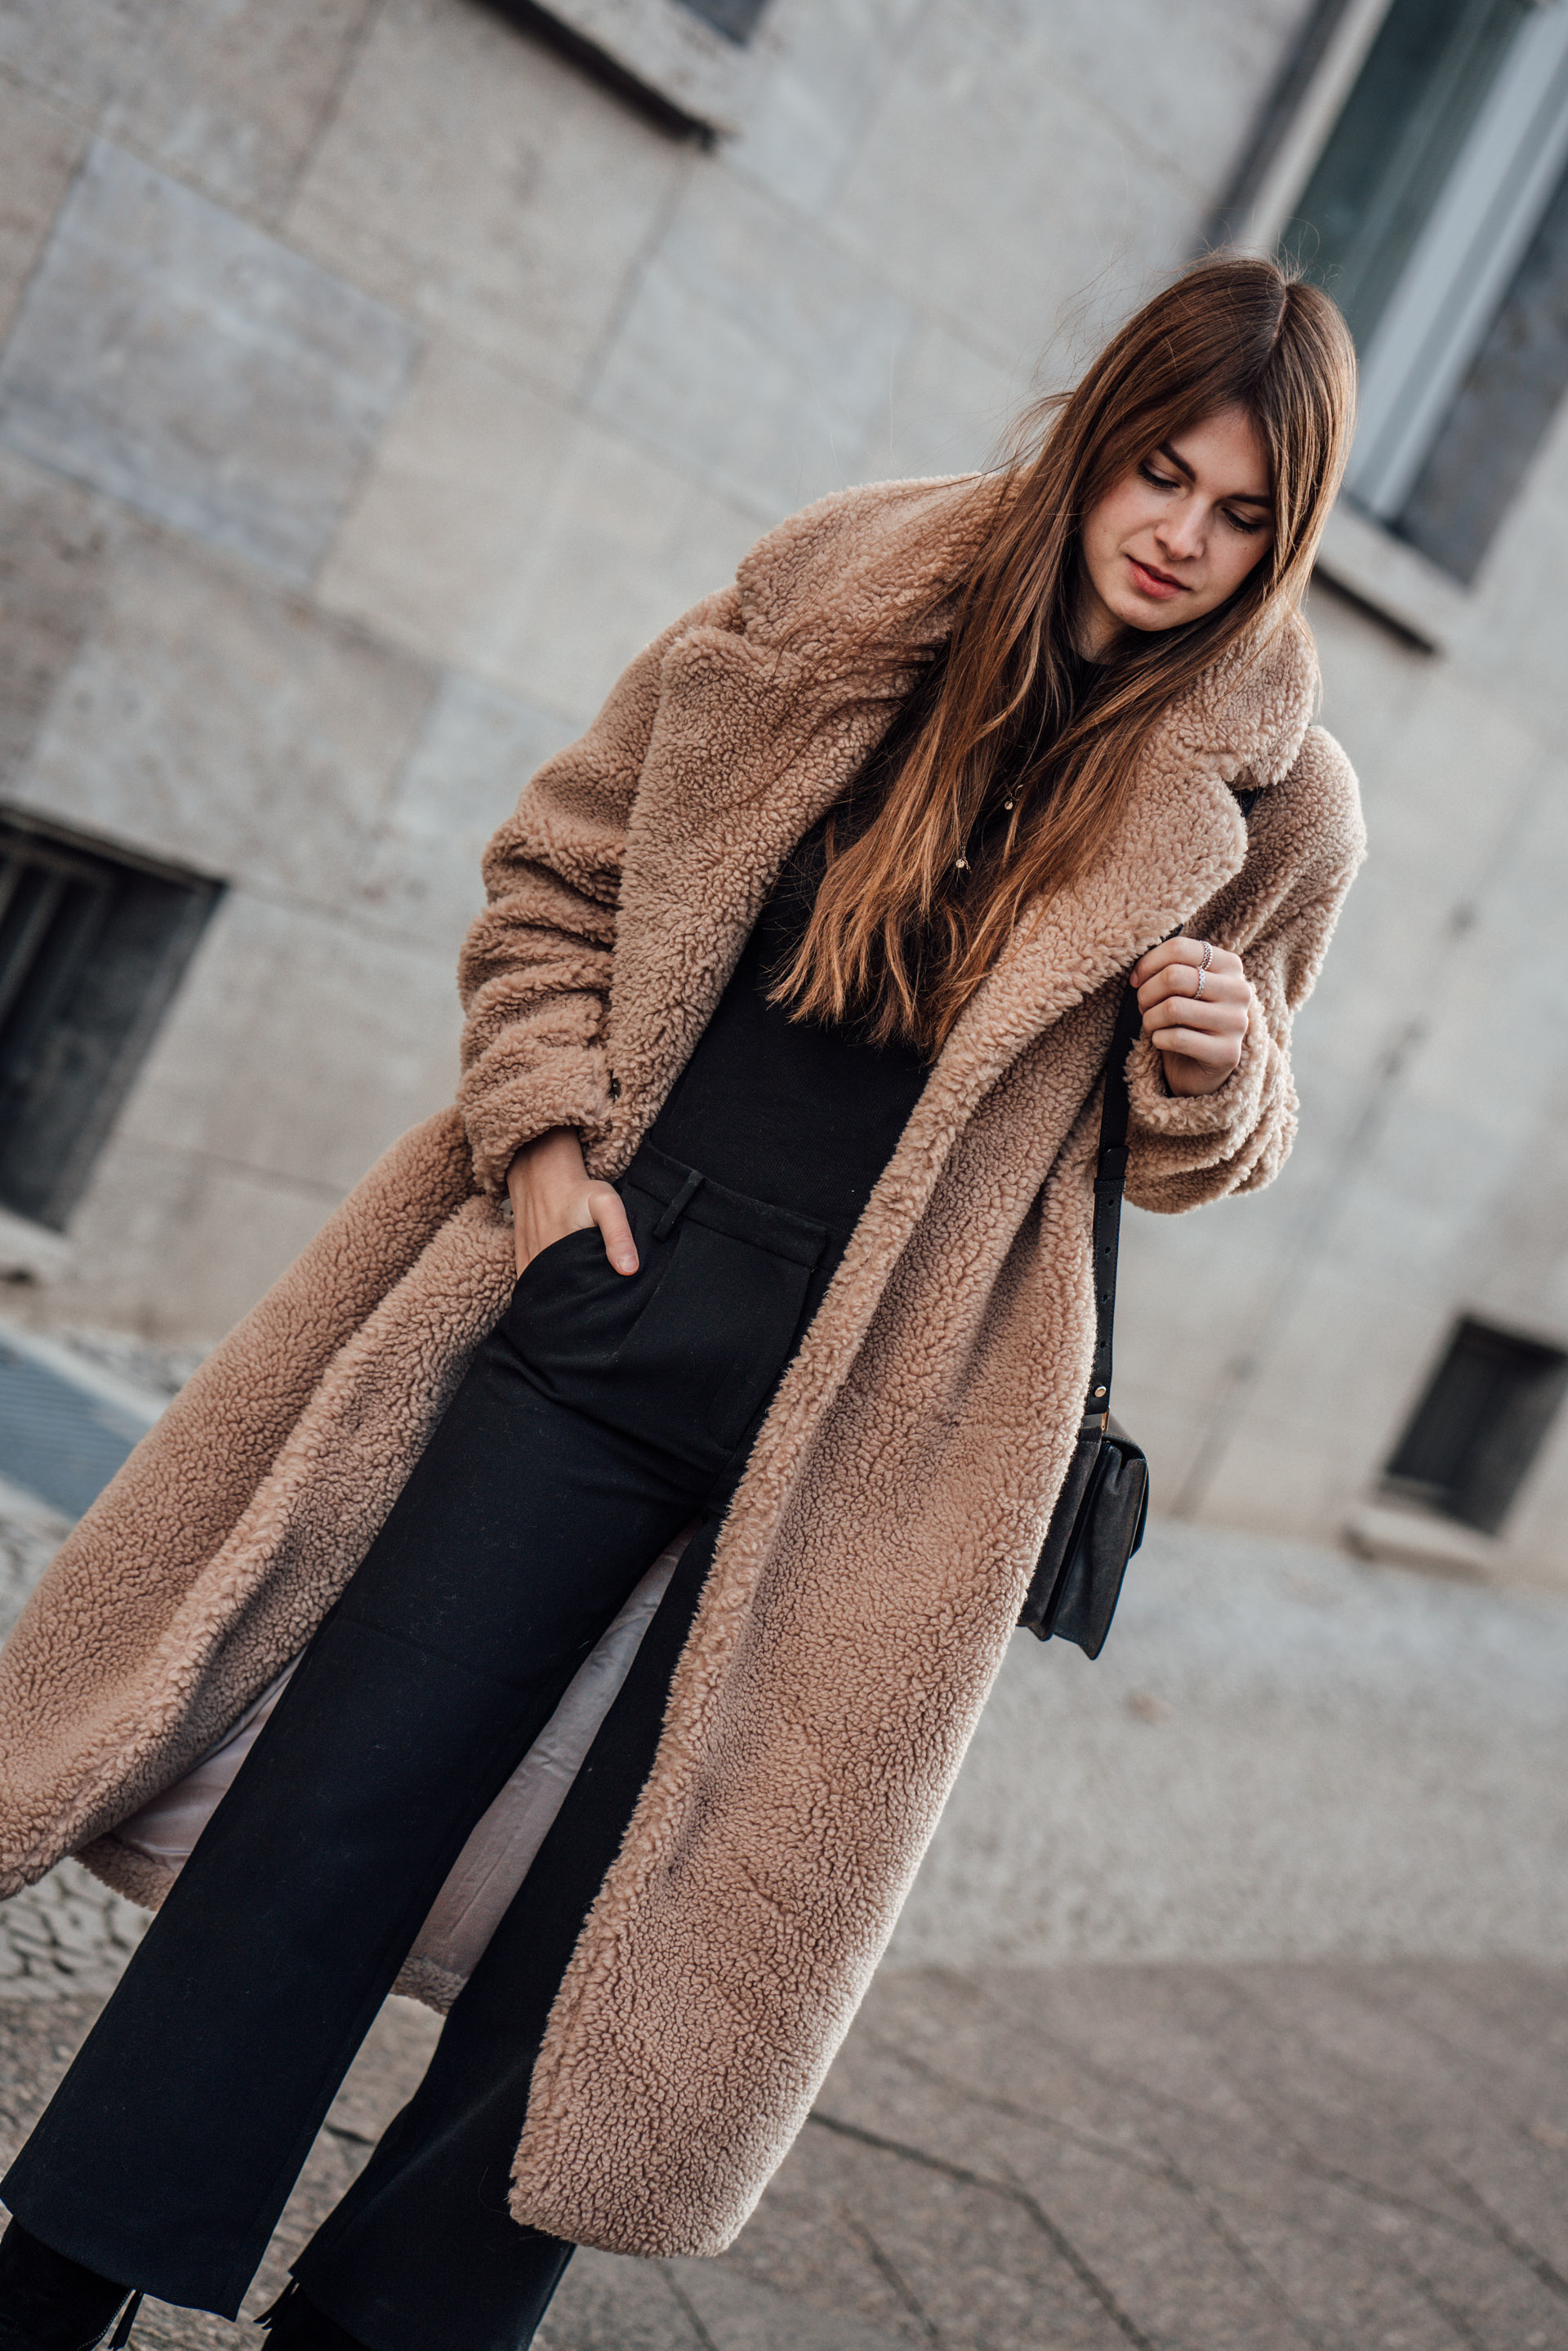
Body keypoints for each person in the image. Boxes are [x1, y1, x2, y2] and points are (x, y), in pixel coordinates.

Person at [0, 253, 1364, 2351]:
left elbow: (1201, 1149)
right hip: (616, 1293)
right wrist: (549, 1176)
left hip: (892, 1410)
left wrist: (1214, 1068)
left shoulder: (1282, 803)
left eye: (1246, 513)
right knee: (328, 1811)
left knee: (625, 1943)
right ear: (1098, 442)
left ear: (1296, 533)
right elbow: (562, 868)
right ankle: (57, 2279)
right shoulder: (850, 591)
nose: (1185, 537)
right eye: (1162, 474)